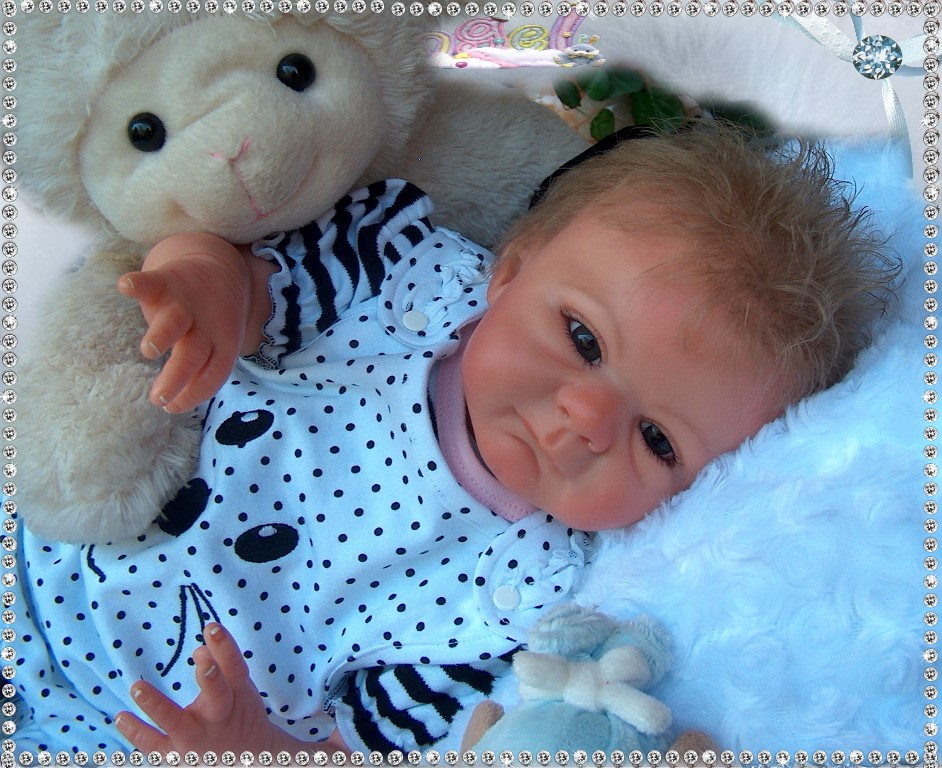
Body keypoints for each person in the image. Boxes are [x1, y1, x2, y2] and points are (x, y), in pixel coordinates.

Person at [15, 124, 897, 758]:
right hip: (39, 547)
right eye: (583, 339)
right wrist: (203, 286)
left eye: (658, 439)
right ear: (510, 270)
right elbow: (251, 277)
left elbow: (363, 739)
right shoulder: (404, 272)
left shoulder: (528, 599)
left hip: (111, 726)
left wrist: (254, 748)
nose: (587, 418)